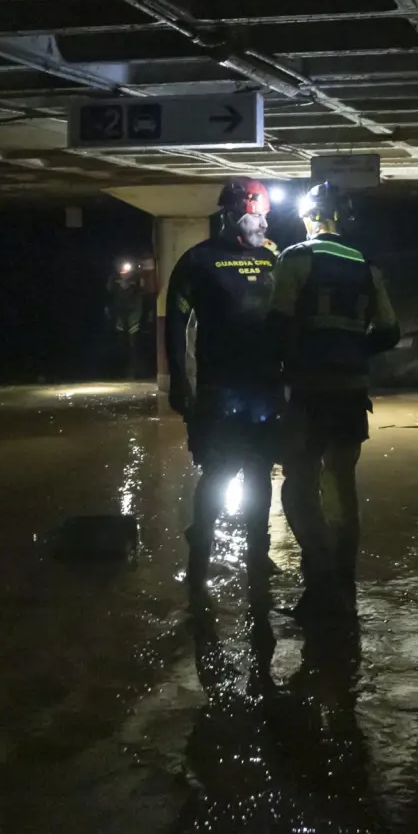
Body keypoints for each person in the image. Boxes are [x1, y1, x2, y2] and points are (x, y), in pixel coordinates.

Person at [269, 183, 400, 620]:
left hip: (307, 393)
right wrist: (352, 349)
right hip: (350, 393)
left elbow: (276, 323)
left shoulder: (295, 257)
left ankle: (319, 579)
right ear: (341, 218)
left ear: (309, 216)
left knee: (298, 485)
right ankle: (343, 583)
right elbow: (389, 332)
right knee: (341, 485)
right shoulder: (367, 265)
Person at [164, 178, 282, 585]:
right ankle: (200, 557)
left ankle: (258, 554)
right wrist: (179, 382)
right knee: (218, 472)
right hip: (219, 389)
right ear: (233, 214)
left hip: (266, 388)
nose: (264, 223)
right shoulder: (198, 262)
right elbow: (175, 326)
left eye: (266, 215)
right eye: (257, 214)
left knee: (260, 472)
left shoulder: (274, 258)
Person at [105, 257, 151, 378]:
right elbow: (109, 295)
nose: (123, 269)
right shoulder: (113, 280)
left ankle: (134, 371)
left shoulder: (136, 280)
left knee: (133, 343)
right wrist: (109, 311)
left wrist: (141, 315)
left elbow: (142, 297)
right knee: (119, 343)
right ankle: (118, 371)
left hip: (133, 315)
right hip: (119, 314)